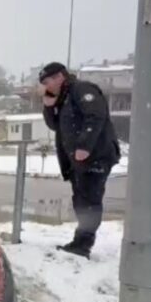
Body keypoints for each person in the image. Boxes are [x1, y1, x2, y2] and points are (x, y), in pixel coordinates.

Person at [39, 62, 120, 258]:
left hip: (96, 156)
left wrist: (84, 146)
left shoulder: (82, 89)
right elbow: (54, 126)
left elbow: (95, 116)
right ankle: (80, 242)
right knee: (81, 200)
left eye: (47, 81)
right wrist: (49, 106)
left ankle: (83, 245)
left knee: (89, 201)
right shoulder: (63, 97)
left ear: (60, 77)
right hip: (78, 160)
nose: (46, 86)